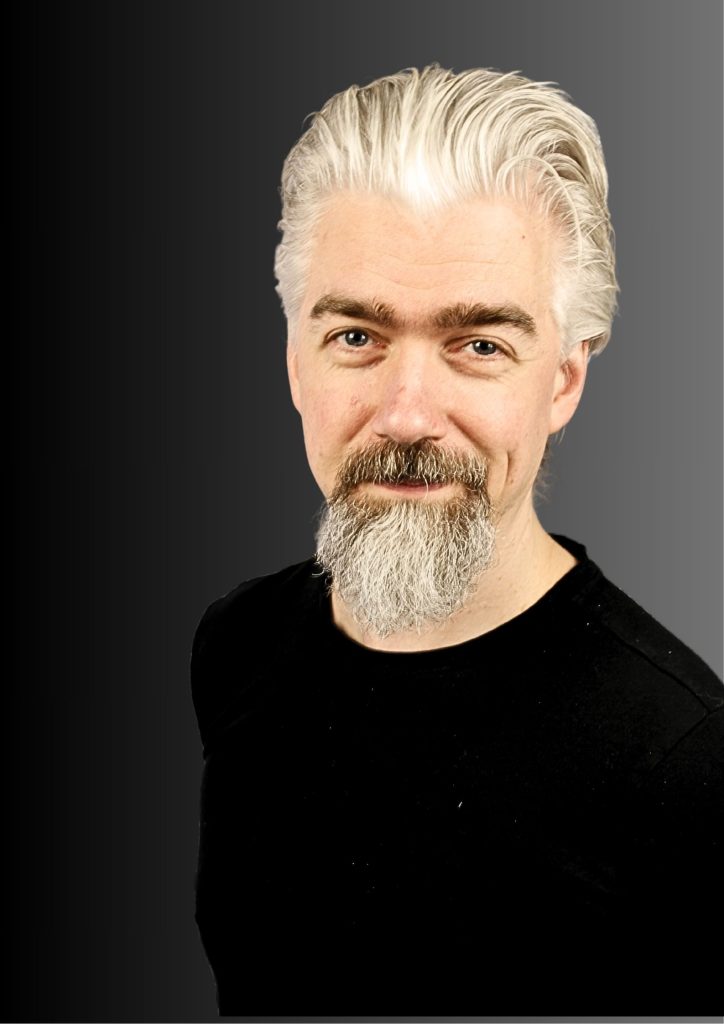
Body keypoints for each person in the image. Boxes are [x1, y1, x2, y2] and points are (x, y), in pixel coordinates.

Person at [190, 64, 723, 1016]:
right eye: (357, 337)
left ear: (563, 380)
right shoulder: (238, 645)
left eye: (480, 345)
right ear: (296, 362)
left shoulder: (687, 759)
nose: (406, 414)